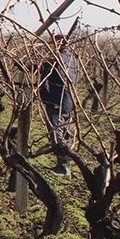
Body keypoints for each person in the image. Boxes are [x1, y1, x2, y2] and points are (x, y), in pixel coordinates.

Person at [40, 34, 78, 177]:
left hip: (56, 102)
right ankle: (64, 165)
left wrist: (44, 96)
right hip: (69, 102)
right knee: (65, 132)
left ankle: (63, 167)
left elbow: (43, 82)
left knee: (56, 135)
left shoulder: (52, 61)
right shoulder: (73, 60)